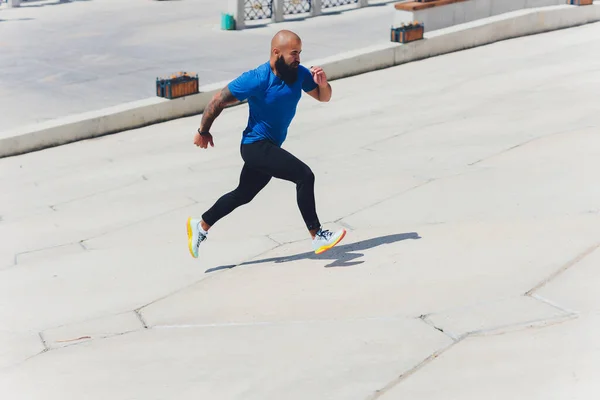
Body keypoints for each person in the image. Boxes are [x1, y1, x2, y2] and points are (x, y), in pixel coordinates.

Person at [186, 29, 346, 259]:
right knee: (304, 175)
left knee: (243, 194)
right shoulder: (258, 78)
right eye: (294, 53)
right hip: (255, 146)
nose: (299, 59)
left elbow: (324, 97)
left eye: (300, 53)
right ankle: (317, 235)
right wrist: (203, 131)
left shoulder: (298, 74)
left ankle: (200, 226)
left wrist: (323, 84)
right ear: (276, 52)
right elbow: (218, 99)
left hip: (270, 146)